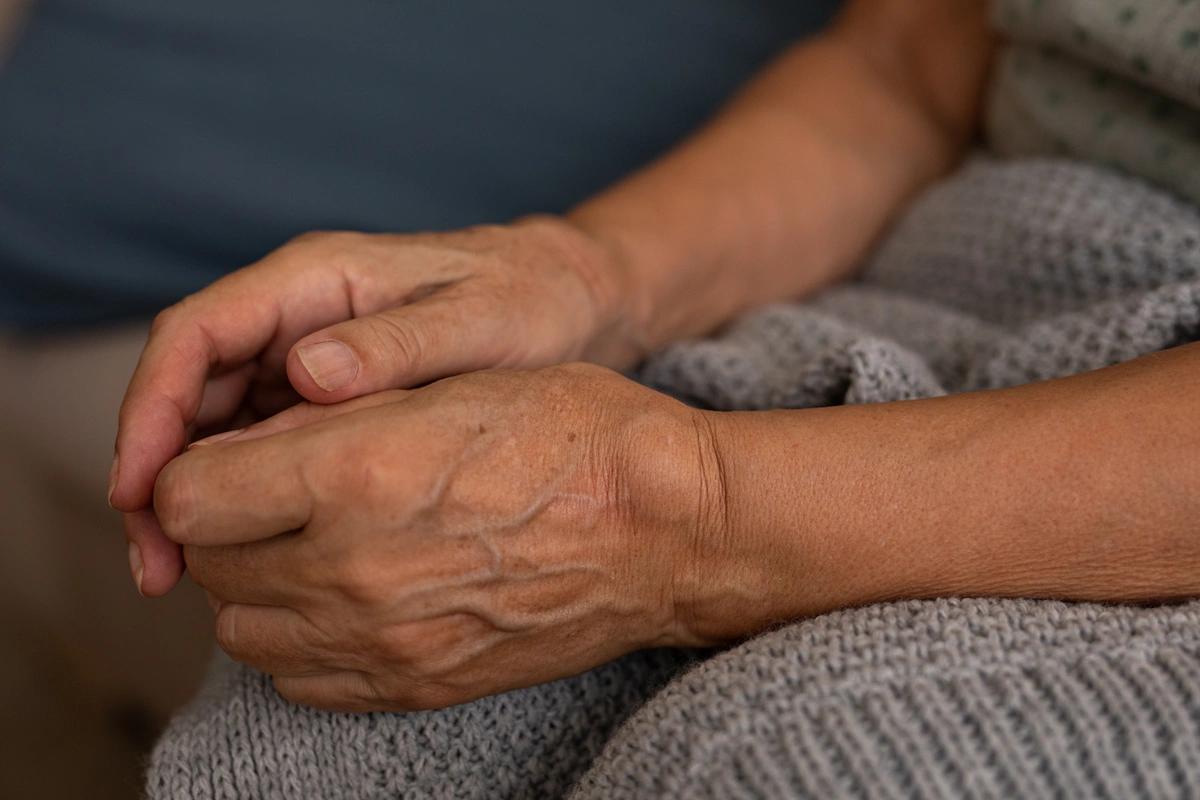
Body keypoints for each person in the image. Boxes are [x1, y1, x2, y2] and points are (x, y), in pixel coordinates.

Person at [111, 0, 1200, 714]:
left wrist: (681, 515)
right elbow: (906, 66)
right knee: (341, 683)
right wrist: (583, 274)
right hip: (949, 268)